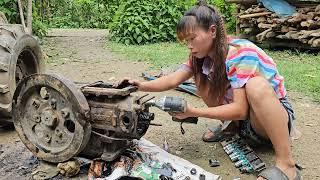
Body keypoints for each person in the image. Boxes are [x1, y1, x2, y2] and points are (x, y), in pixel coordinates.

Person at [117, 1, 301, 179]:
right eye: (185, 41)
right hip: (245, 125)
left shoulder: (241, 52)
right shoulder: (201, 57)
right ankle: (230, 128)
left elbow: (241, 109)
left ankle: (287, 166)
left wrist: (193, 112)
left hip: (270, 123)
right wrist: (139, 85)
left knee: (256, 86)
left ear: (212, 31)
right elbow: (173, 79)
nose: (189, 45)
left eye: (192, 38)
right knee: (199, 75)